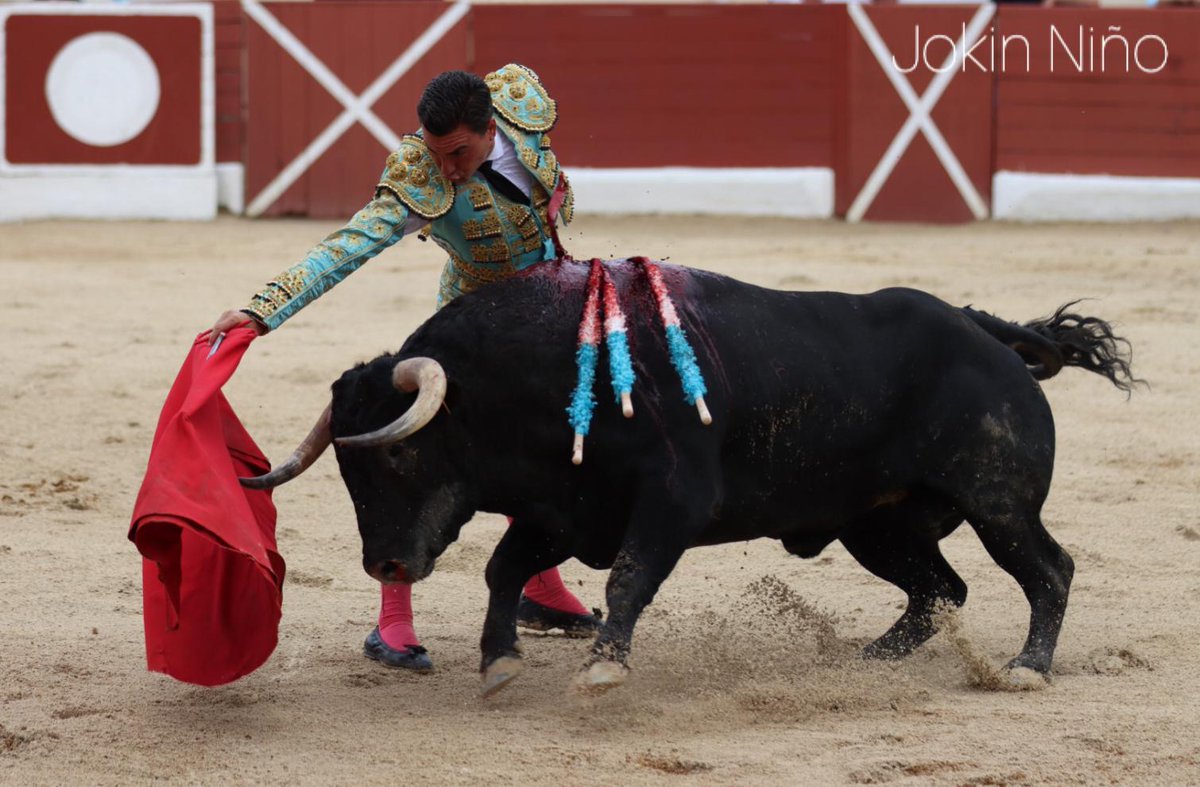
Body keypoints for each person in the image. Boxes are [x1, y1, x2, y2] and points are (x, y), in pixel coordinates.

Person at [209, 64, 600, 672]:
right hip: (472, 327)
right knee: (416, 460)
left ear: (489, 125)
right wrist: (263, 311)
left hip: (551, 319)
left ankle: (541, 589)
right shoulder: (421, 177)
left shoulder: (520, 106)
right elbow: (349, 244)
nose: (447, 167)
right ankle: (391, 621)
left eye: (459, 154)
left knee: (544, 453)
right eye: (436, 154)